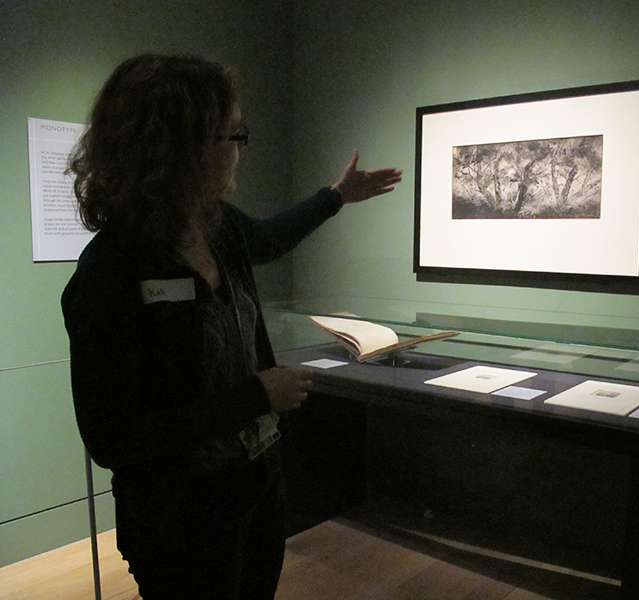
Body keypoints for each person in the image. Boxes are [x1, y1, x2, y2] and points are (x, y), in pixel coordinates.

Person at [61, 54, 402, 600]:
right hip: (178, 514)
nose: (240, 146)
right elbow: (113, 436)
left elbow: (268, 237)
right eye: (231, 134)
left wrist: (335, 197)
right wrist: (255, 396)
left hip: (256, 486)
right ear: (179, 148)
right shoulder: (110, 273)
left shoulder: (217, 227)